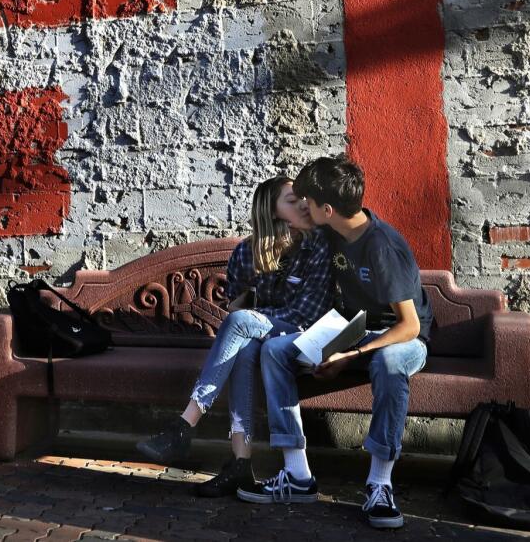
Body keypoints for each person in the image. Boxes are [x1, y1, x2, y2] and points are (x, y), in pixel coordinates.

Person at [237, 155, 433, 530]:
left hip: (401, 337)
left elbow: (408, 326)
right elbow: (292, 220)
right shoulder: (332, 229)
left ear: (327, 209)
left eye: (307, 202)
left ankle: (380, 483)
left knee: (389, 363)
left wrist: (349, 354)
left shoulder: (382, 246)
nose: (303, 207)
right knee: (276, 350)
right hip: (351, 330)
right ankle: (296, 475)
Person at [135, 176, 333, 497]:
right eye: (291, 199)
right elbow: (236, 302)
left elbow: (304, 316)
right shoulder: (246, 252)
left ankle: (184, 425)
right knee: (243, 349)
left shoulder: (317, 246)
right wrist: (248, 302)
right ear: (271, 210)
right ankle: (241, 464)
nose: (302, 204)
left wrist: (248, 315)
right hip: (263, 336)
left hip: (305, 336)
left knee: (241, 324)